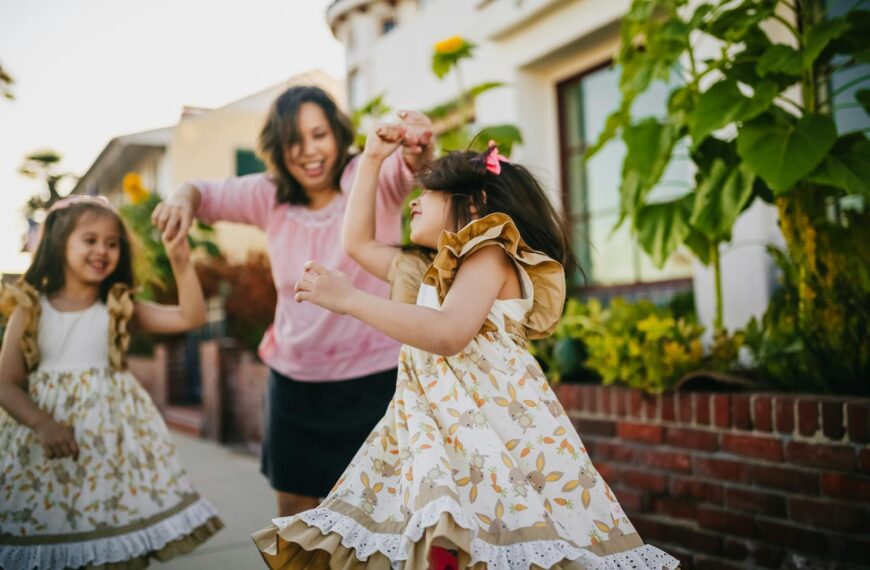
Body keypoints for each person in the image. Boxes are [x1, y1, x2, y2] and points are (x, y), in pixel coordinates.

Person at [252, 126, 680, 569]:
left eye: (430, 192)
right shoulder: (425, 270)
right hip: (440, 434)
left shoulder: (490, 252)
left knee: (495, 545)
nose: (413, 201)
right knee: (447, 543)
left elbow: (449, 330)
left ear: (472, 204)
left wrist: (351, 300)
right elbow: (356, 242)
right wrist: (374, 159)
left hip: (495, 437)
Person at [151, 85, 433, 517]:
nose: (308, 151)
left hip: (379, 381)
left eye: (318, 134)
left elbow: (413, 165)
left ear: (338, 134)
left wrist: (417, 144)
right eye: (293, 141)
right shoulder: (270, 195)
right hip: (294, 385)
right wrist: (179, 199)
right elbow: (199, 191)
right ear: (278, 150)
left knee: (384, 521)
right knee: (297, 528)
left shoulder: (370, 173)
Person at [0, 196, 222, 569]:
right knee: (55, 537)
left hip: (112, 455)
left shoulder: (119, 306)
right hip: (48, 449)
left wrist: (180, 259)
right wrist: (42, 423)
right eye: (90, 240)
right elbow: (6, 382)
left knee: (114, 543)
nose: (102, 249)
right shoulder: (31, 308)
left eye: (112, 242)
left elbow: (191, 317)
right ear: (59, 243)